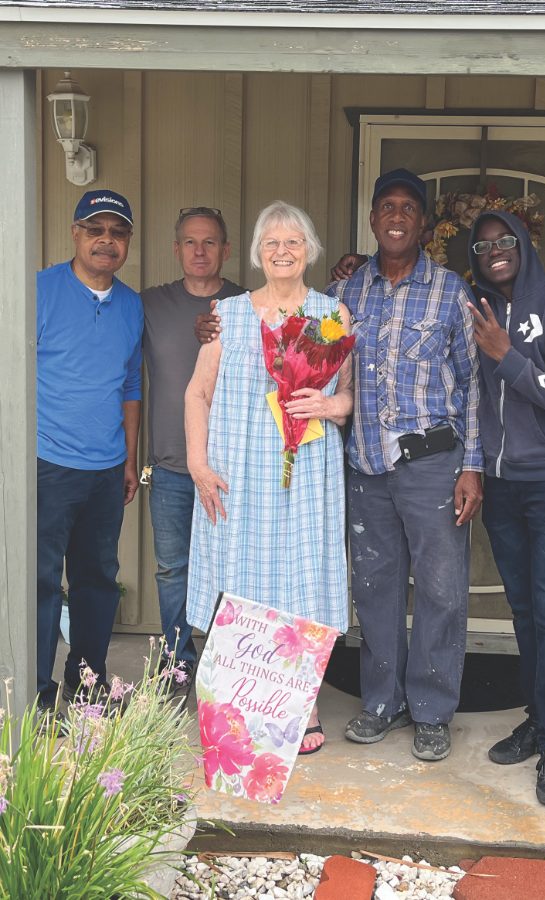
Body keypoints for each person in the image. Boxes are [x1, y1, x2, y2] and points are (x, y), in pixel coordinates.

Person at [184, 201, 352, 754]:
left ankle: (301, 705)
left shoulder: (332, 313)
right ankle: (236, 705)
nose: (282, 251)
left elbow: (349, 397)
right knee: (242, 582)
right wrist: (198, 464)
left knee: (301, 582)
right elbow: (197, 393)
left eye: (293, 242)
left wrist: (327, 406)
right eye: (272, 242)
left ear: (310, 250)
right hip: (237, 470)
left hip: (305, 470)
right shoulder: (227, 313)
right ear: (258, 253)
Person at [330, 169, 483, 762]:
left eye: (408, 208)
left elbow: (472, 384)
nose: (397, 216)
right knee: (374, 589)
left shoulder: (450, 291)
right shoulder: (345, 292)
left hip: (433, 464)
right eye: (387, 206)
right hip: (366, 466)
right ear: (373, 218)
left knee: (441, 590)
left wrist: (472, 467)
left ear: (423, 223)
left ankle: (433, 709)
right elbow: (306, 350)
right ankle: (381, 702)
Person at [465, 211, 545, 806]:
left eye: (505, 240)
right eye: (483, 245)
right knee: (522, 610)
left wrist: (507, 355)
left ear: (524, 245)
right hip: (503, 485)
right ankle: (539, 720)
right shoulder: (477, 310)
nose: (495, 250)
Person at [36, 189, 143, 714]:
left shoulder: (132, 305)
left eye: (117, 232)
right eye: (95, 229)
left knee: (97, 580)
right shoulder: (38, 290)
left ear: (128, 242)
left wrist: (129, 459)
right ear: (75, 233)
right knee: (38, 581)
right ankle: (36, 692)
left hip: (105, 468)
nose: (106, 240)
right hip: (46, 464)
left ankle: (86, 685)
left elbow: (130, 385)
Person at [141, 208, 244, 684]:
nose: (199, 251)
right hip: (169, 464)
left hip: (231, 468)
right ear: (176, 249)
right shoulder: (150, 304)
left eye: (209, 242)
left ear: (226, 250)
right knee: (172, 569)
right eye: (189, 242)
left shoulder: (246, 304)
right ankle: (178, 661)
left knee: (234, 571)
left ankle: (228, 665)